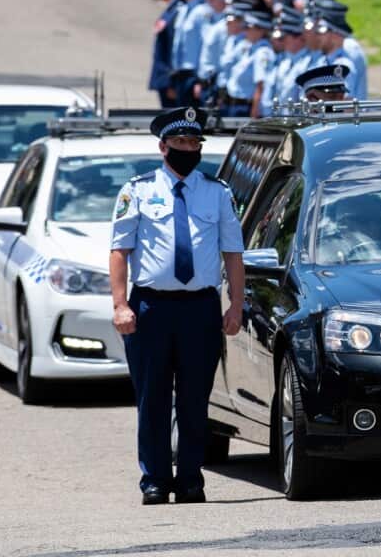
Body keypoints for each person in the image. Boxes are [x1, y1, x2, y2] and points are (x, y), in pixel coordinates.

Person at [110, 107, 244, 505]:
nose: (189, 148)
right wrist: (120, 305)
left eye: (194, 142)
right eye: (181, 142)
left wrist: (235, 304)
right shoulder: (137, 190)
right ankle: (154, 479)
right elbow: (120, 251)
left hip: (199, 308)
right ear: (163, 146)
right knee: (152, 397)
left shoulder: (217, 193)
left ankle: (190, 478)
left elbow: (233, 253)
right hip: (151, 307)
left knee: (194, 399)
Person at [225, 11, 275, 117]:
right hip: (235, 104)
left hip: (247, 107)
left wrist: (254, 112)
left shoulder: (262, 52)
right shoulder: (250, 48)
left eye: (248, 28)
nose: (245, 31)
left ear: (261, 31)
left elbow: (260, 85)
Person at [149, 0, 186, 106]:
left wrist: (172, 82)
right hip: (163, 76)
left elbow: (175, 47)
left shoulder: (179, 10)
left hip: (169, 77)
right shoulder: (173, 6)